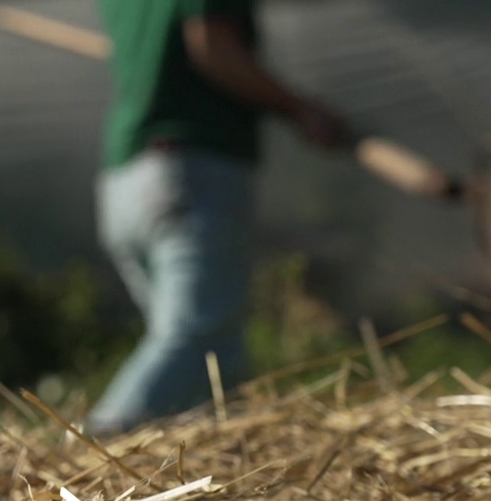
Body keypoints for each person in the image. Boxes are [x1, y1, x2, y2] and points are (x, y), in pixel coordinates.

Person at [84, 0, 350, 436]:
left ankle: (236, 468)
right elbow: (213, 48)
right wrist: (299, 109)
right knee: (197, 338)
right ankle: (93, 450)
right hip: (190, 171)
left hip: (127, 180)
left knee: (216, 364)